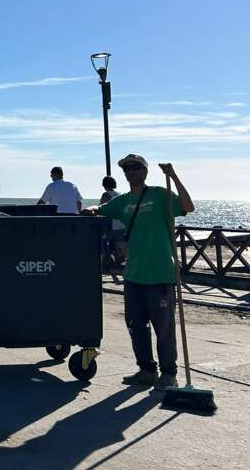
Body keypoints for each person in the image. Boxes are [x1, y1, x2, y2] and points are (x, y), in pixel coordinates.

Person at [82, 154, 194, 390]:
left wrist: (173, 176)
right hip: (134, 276)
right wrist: (90, 209)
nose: (131, 172)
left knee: (164, 330)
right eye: (127, 169)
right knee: (136, 327)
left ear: (145, 171)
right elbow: (101, 209)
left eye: (136, 168)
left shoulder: (160, 194)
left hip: (161, 273)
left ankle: (169, 374)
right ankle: (146, 370)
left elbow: (187, 207)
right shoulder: (122, 201)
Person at [100, 175, 126, 279]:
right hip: (122, 223)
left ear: (104, 185)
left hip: (112, 224)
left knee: (103, 240)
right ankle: (118, 260)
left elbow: (103, 209)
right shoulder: (120, 194)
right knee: (120, 243)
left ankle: (105, 262)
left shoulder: (106, 195)